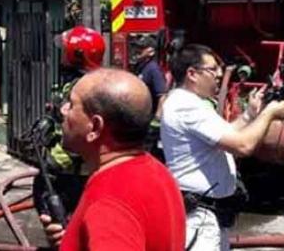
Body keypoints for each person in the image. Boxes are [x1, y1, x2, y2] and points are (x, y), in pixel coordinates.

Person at [161, 44, 284, 251]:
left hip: (210, 212)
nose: (219, 74)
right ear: (192, 74)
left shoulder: (193, 103)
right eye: (212, 69)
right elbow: (243, 145)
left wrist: (250, 114)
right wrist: (270, 114)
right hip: (200, 215)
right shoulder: (186, 106)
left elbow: (229, 134)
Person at [40, 68, 186, 251]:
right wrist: (75, 238)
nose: (63, 110)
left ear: (95, 127)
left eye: (71, 104)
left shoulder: (108, 201)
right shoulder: (158, 172)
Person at [32, 26, 105, 219]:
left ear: (77, 54)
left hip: (72, 174)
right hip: (71, 171)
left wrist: (53, 162)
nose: (62, 54)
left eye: (66, 50)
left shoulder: (83, 88)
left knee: (62, 221)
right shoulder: (80, 82)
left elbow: (82, 132)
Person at [129, 35, 168, 159]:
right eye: (136, 48)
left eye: (141, 49)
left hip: (150, 122)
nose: (136, 51)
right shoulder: (140, 67)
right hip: (141, 119)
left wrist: (156, 122)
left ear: (151, 51)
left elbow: (162, 95)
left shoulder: (153, 70)